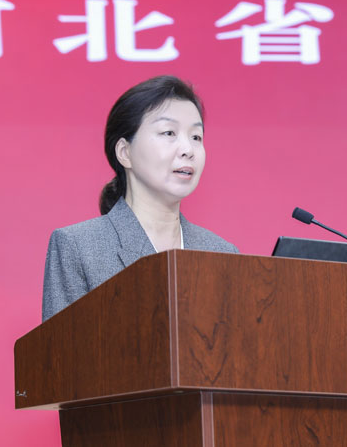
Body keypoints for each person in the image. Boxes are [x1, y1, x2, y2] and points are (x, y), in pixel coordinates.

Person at [41, 75, 238, 322]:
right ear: (125, 153)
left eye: (196, 137)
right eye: (169, 132)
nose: (188, 150)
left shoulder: (221, 253)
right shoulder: (79, 247)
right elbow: (62, 346)